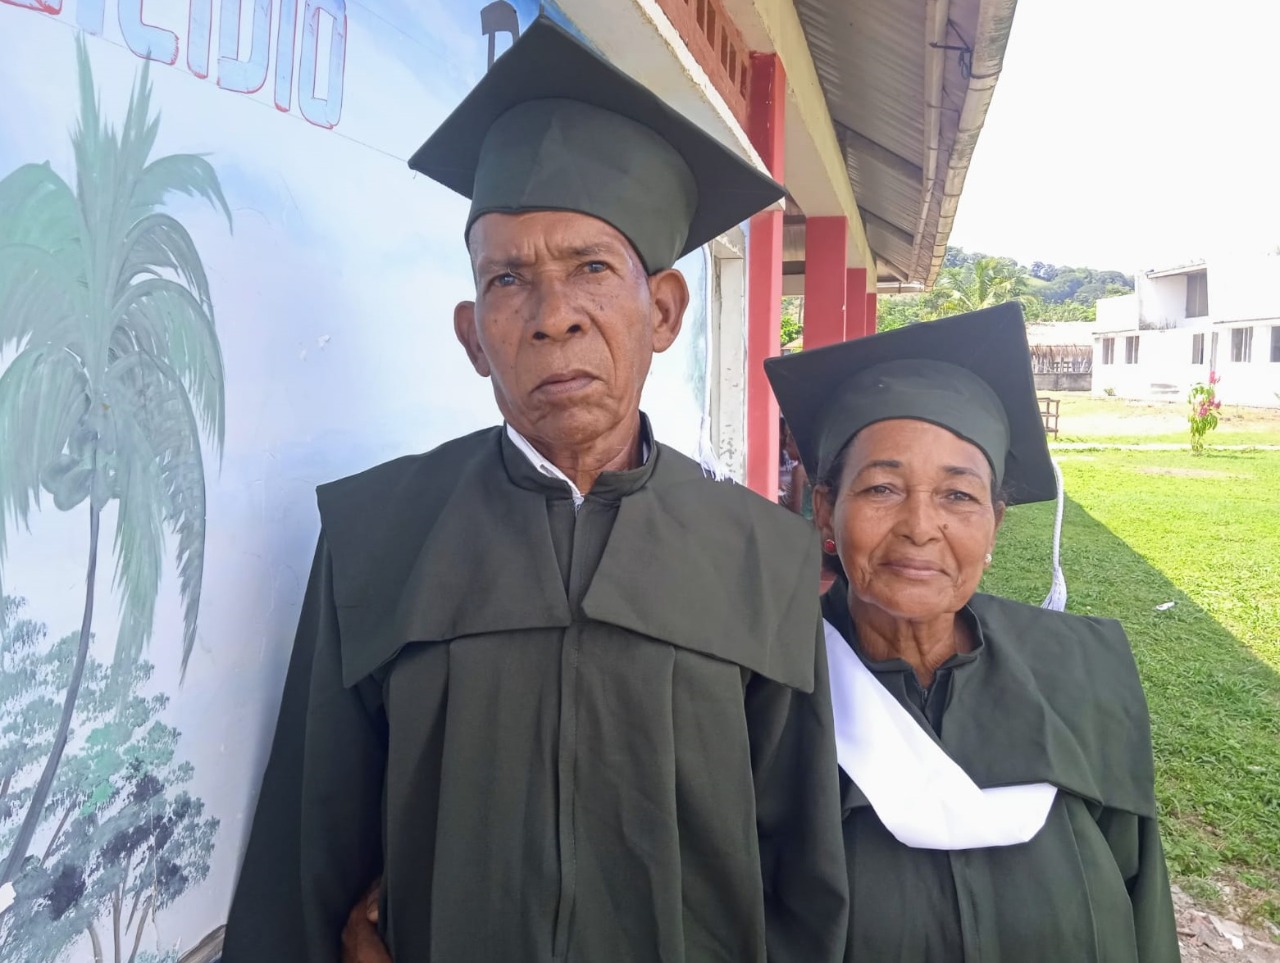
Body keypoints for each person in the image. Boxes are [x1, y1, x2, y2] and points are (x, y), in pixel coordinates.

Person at [221, 17, 847, 963]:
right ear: (473, 335)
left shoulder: (762, 556)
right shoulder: (377, 536)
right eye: (510, 280)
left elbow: (803, 876)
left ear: (664, 311)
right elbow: (307, 850)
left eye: (592, 267)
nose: (554, 317)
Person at [765, 302, 1180, 962]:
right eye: (881, 488)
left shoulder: (1084, 674)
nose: (920, 527)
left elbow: (1143, 900)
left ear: (995, 522)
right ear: (824, 509)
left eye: (958, 495)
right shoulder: (765, 691)